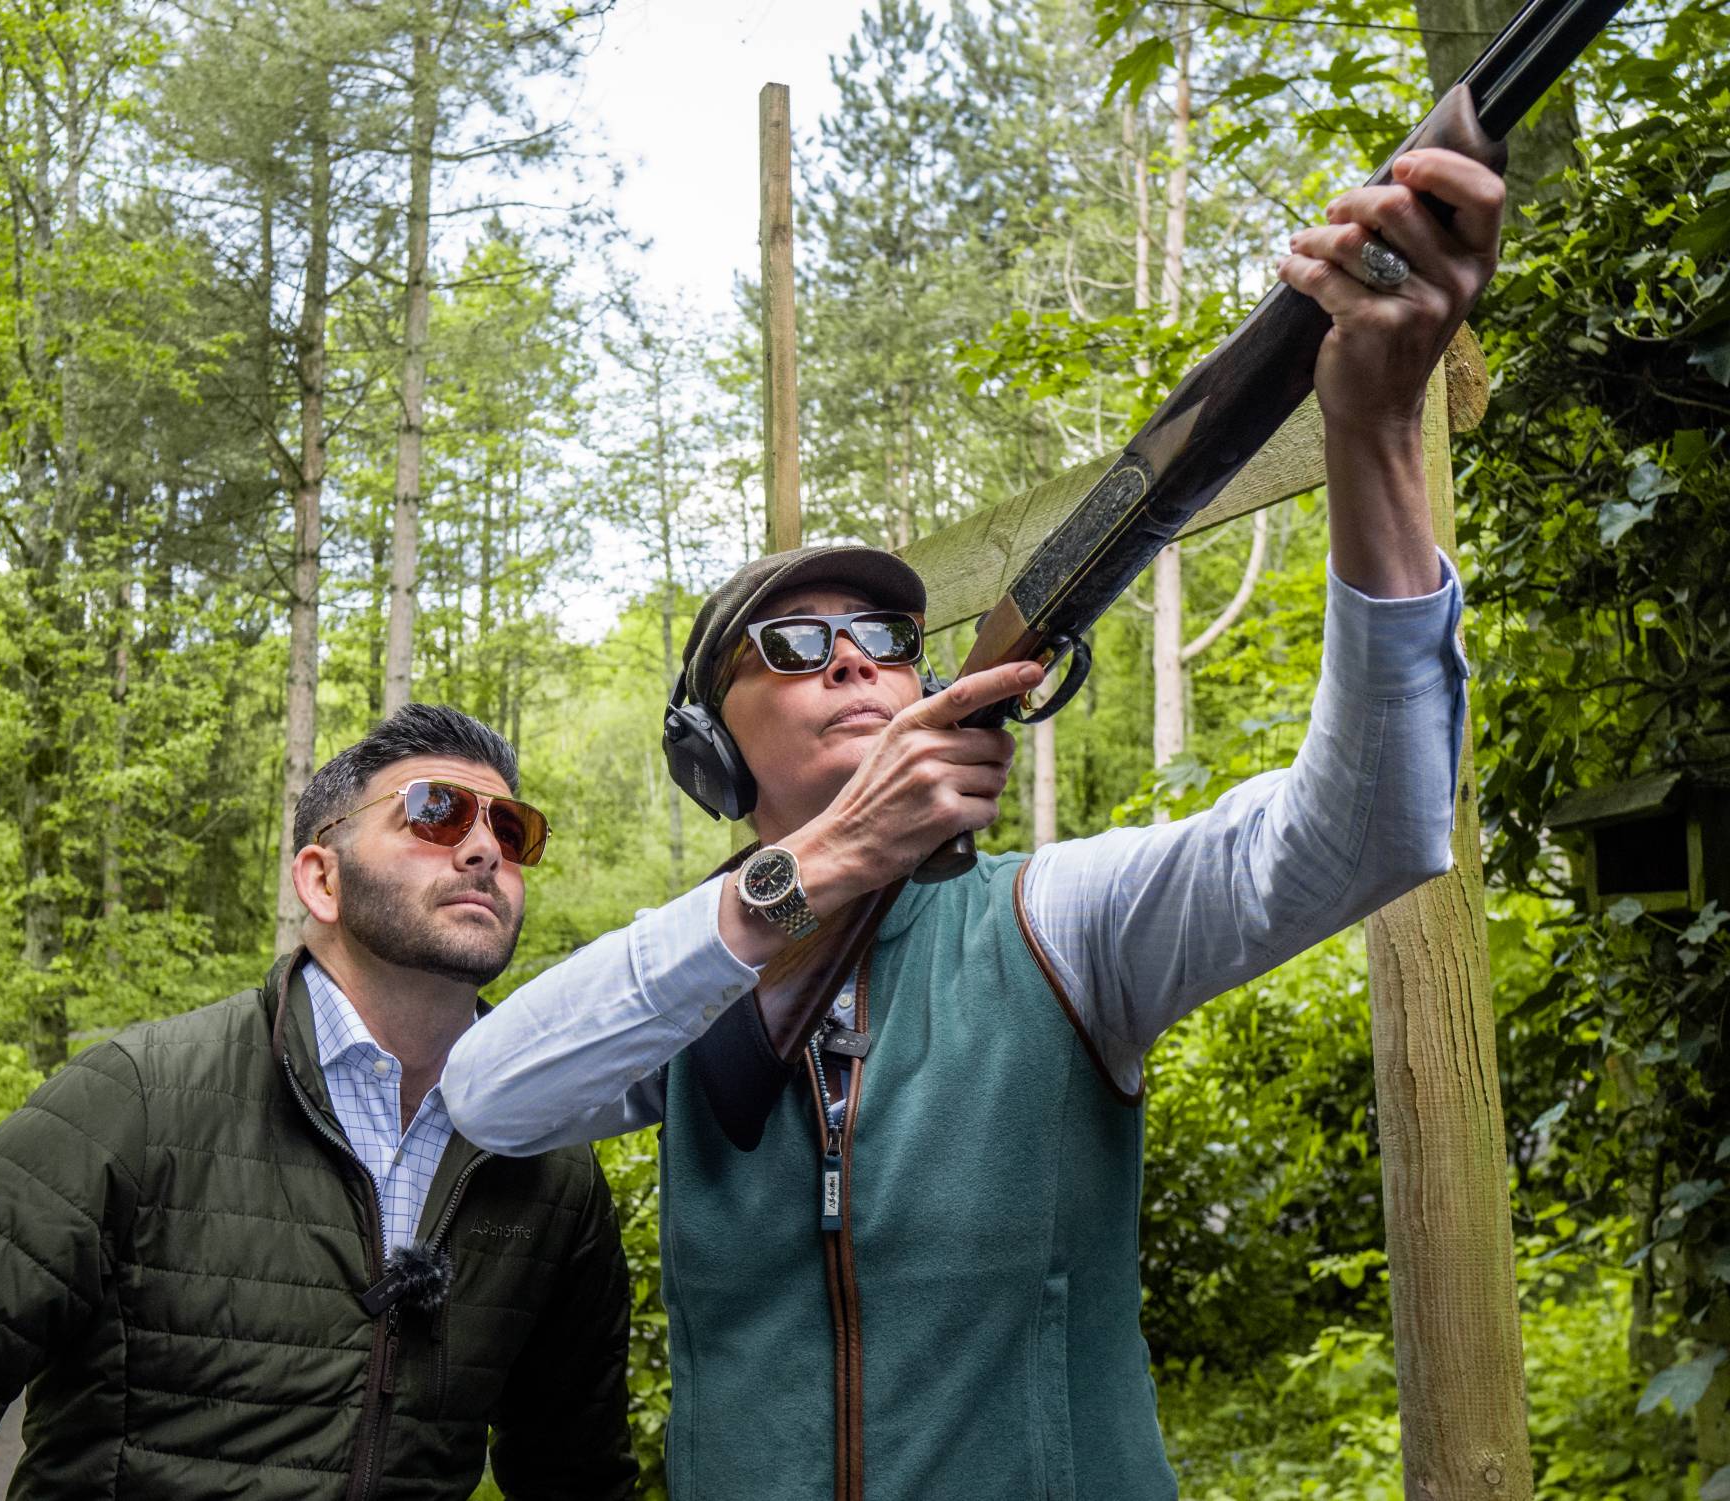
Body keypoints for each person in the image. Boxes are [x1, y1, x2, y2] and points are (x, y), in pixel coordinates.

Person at [441, 148, 1503, 1501]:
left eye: (885, 636)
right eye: (794, 639)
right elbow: (490, 1093)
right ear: (710, 745)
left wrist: (1371, 426)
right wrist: (819, 867)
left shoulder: (1057, 923)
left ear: (931, 685)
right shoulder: (689, 973)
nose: (851, 658)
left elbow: (1371, 830)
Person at [0, 705, 638, 1501]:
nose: (481, 848)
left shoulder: (551, 1160)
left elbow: (579, 1473)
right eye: (436, 810)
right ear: (322, 879)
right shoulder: (139, 1098)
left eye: (512, 830)